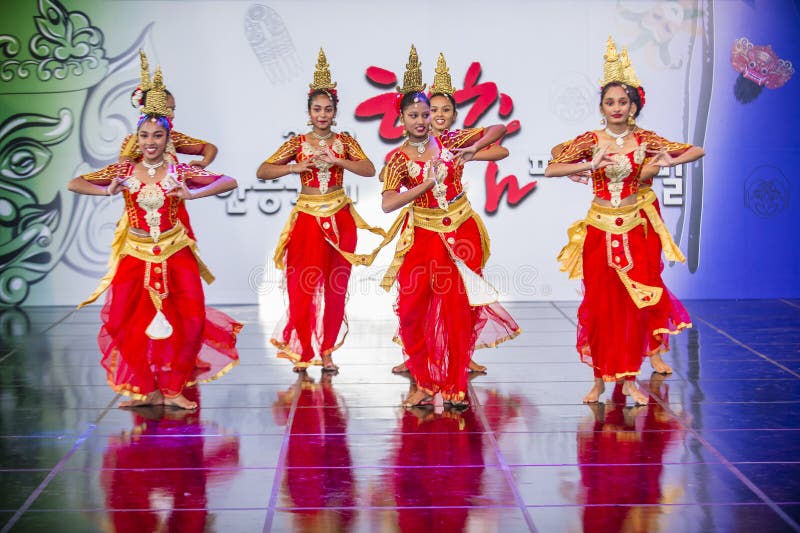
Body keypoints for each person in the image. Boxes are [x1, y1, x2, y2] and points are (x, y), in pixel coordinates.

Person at [68, 65, 241, 410]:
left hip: (176, 249)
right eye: (144, 136)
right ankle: (147, 387)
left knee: (191, 319)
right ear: (136, 139)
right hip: (136, 252)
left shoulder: (180, 169)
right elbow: (76, 182)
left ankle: (174, 387)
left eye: (157, 136)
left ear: (167, 139)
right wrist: (106, 192)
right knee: (119, 320)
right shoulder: (124, 170)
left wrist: (192, 195)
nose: (150, 142)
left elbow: (228, 180)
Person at [545, 37, 704, 405]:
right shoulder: (592, 139)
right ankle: (600, 380)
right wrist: (588, 165)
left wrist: (663, 163)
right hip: (600, 230)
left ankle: (630, 380)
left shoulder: (643, 138)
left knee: (633, 306)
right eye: (609, 102)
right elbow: (553, 166)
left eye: (623, 101)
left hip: (634, 228)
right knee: (600, 307)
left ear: (633, 106)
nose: (616, 107)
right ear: (601, 107)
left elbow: (697, 149)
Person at [381, 45, 520, 408]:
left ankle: (456, 384)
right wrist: (424, 186)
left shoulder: (451, 142)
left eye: (426, 114)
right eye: (413, 115)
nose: (422, 121)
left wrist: (474, 150)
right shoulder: (397, 159)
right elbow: (388, 203)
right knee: (412, 312)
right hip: (422, 238)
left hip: (461, 234)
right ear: (402, 119)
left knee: (459, 311)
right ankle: (424, 382)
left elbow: (499, 127)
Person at [256, 49, 379, 372]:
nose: (322, 114)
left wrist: (340, 161)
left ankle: (327, 351)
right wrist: (294, 168)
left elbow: (369, 169)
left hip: (339, 217)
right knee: (302, 287)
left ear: (335, 112)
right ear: (308, 112)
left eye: (327, 109)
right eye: (316, 109)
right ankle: (303, 350)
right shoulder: (297, 143)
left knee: (335, 287)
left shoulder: (344, 141)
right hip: (308, 219)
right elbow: (263, 171)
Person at [120, 51, 218, 169]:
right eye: (167, 109)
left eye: (173, 109)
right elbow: (124, 163)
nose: (172, 115)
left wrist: (204, 163)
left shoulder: (171, 137)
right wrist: (147, 178)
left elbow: (210, 148)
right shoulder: (137, 138)